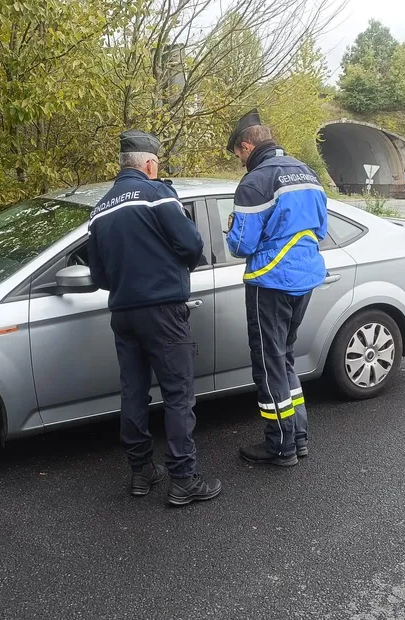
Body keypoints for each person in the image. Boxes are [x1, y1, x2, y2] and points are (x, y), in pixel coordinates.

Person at [87, 130, 222, 506]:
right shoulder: (158, 194)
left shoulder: (99, 210)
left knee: (134, 391)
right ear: (149, 163)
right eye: (156, 164)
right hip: (163, 310)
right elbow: (192, 243)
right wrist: (177, 268)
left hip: (123, 313)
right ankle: (183, 478)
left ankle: (140, 471)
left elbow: (98, 276)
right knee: (178, 393)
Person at [225, 110, 328, 467]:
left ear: (247, 145)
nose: (239, 161)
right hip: (304, 280)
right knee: (284, 358)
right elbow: (320, 228)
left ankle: (279, 446)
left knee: (268, 365)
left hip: (270, 282)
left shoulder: (256, 182)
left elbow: (240, 245)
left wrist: (231, 229)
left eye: (238, 154)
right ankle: (297, 436)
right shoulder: (307, 173)